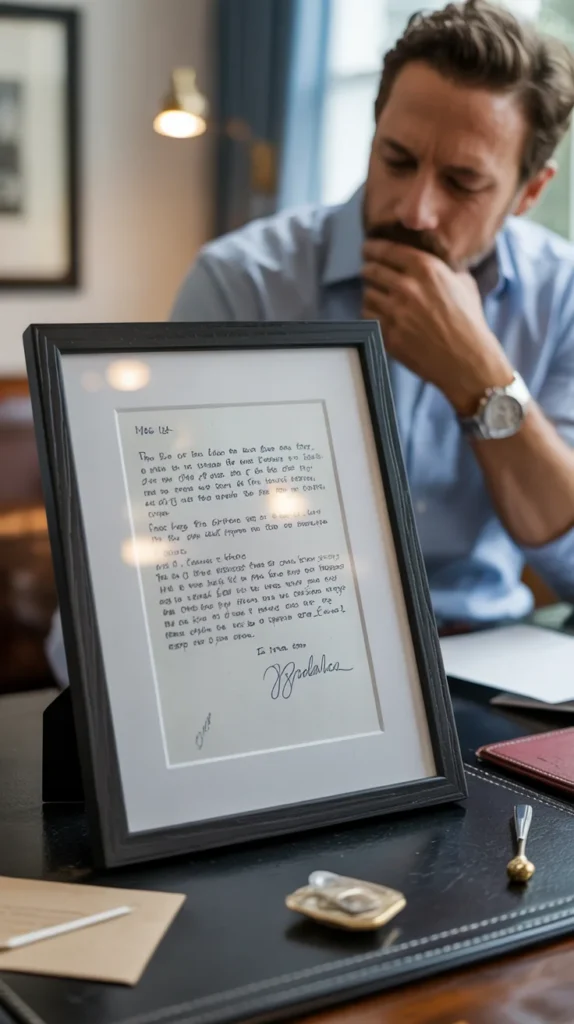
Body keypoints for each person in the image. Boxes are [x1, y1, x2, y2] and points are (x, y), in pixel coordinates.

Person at [46, 0, 574, 685]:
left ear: (530, 191)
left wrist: (480, 379)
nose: (415, 209)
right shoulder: (242, 286)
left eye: (462, 183)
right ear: (373, 133)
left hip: (486, 671)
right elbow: (142, 561)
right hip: (284, 671)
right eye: (397, 158)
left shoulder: (558, 295)